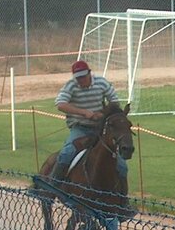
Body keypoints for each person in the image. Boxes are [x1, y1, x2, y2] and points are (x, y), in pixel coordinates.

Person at [51, 60, 127, 189]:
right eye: (78, 78)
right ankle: (52, 187)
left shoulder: (102, 83)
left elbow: (114, 102)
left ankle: (123, 199)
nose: (81, 80)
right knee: (66, 154)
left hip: (101, 130)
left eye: (83, 77)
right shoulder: (70, 86)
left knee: (121, 165)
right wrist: (84, 113)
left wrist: (101, 114)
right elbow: (60, 104)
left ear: (89, 73)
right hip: (80, 129)